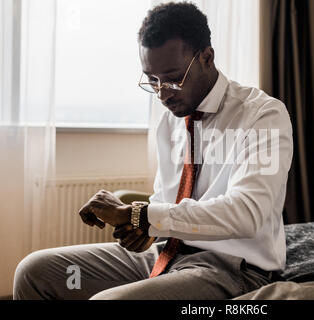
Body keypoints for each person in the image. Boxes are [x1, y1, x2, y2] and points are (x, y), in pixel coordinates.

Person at [13, 2, 293, 300]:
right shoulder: (169, 119)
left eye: (172, 78)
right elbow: (166, 201)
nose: (162, 93)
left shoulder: (263, 116)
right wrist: (141, 229)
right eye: (151, 79)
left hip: (233, 269)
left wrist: (144, 216)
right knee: (36, 271)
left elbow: (247, 214)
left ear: (207, 57)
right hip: (168, 253)